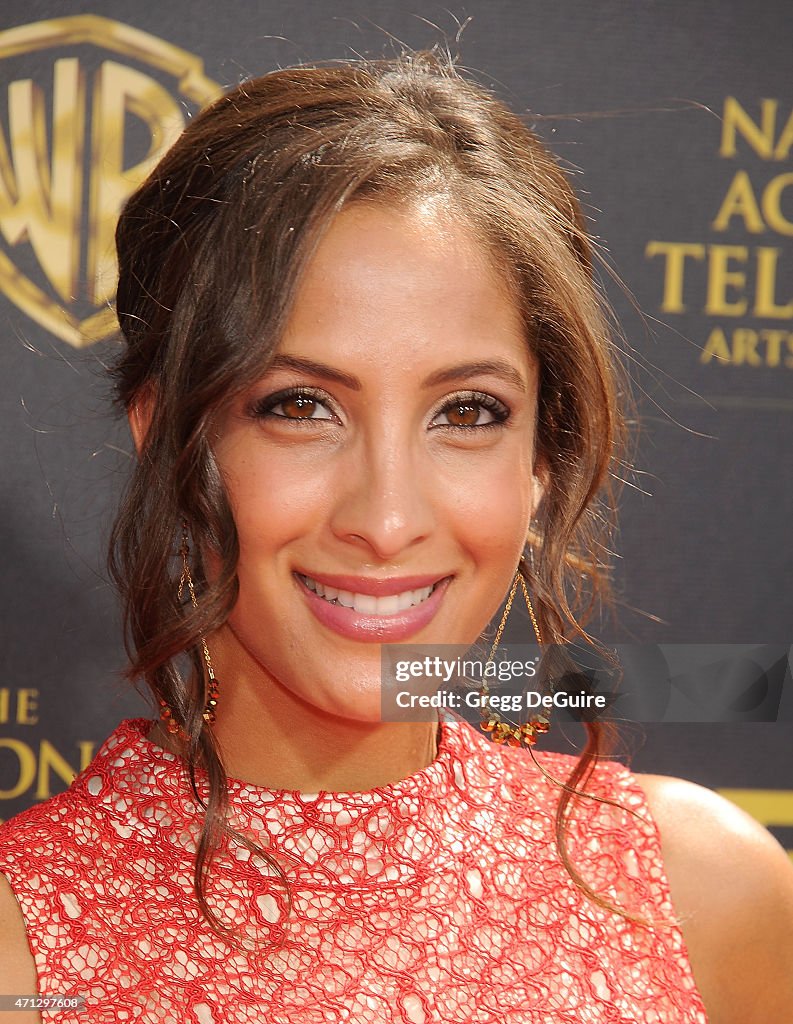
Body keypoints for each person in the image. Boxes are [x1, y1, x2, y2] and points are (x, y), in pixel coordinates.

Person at [0, 49, 791, 1024]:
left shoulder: (703, 898)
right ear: (167, 433)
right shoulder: (24, 960)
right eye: (299, 405)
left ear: (540, 459)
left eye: (465, 411)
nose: (385, 520)